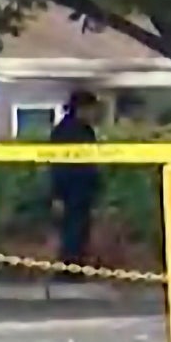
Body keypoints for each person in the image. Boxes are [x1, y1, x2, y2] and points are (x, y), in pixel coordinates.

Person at [47, 91, 102, 276]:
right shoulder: (67, 132)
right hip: (71, 190)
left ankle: (74, 268)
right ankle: (68, 271)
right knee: (72, 232)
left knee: (79, 232)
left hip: (82, 190)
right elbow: (58, 165)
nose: (95, 113)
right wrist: (58, 194)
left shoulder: (83, 130)